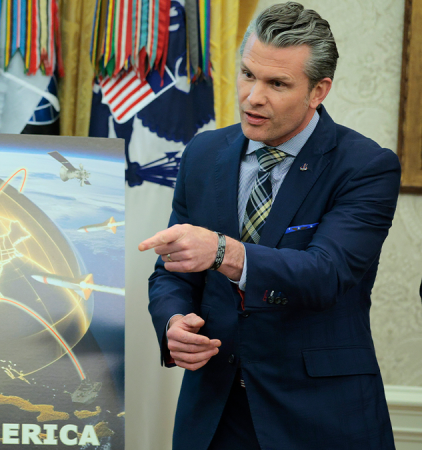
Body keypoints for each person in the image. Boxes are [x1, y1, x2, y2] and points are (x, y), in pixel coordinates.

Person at [139, 3, 400, 449]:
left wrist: (224, 252)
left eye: (277, 84)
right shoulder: (202, 153)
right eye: (247, 75)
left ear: (318, 90)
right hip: (214, 414)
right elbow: (172, 270)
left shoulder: (366, 166)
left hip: (318, 417)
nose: (252, 97)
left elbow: (326, 273)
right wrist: (173, 322)